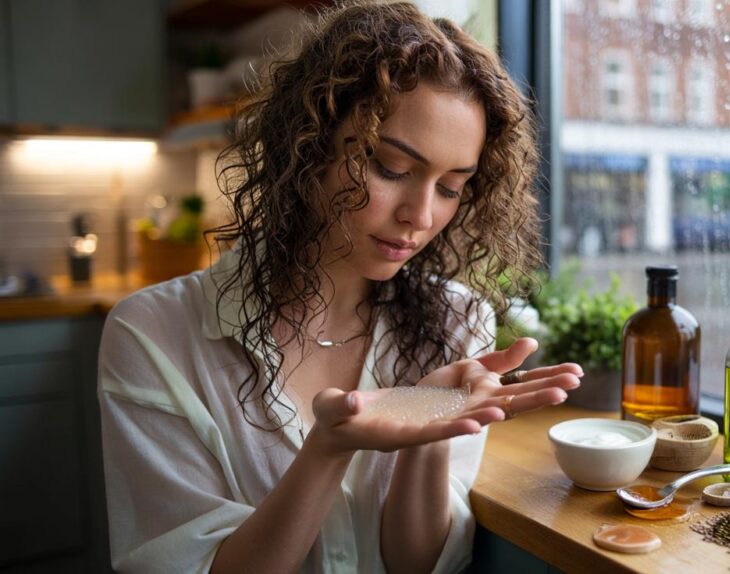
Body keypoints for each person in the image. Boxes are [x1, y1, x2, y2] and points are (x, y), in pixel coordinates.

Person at [96, 2, 582, 573]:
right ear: (309, 144)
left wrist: (429, 427)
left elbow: (415, 564)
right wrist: (327, 449)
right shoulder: (153, 334)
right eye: (391, 169)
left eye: (451, 186)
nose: (420, 215)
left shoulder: (459, 321)